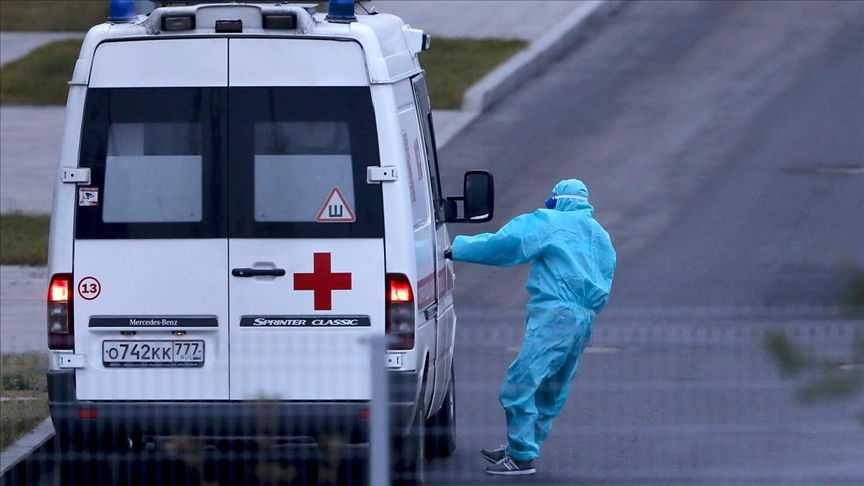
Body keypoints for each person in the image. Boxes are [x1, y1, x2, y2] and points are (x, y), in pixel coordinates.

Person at [446, 179, 616, 476]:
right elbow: (606, 273)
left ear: (559, 199)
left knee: (520, 383)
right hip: (583, 319)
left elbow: (507, 244)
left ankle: (521, 457)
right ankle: (521, 447)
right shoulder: (600, 234)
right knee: (552, 389)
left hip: (555, 316)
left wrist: (457, 249)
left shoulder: (551, 222)